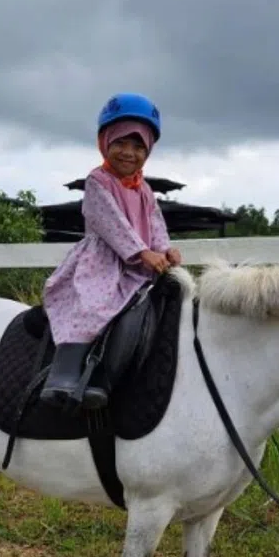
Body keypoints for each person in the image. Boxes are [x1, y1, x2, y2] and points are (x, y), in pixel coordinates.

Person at [41, 93, 182, 411]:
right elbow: (111, 224)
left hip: (139, 264)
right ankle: (63, 374)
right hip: (104, 262)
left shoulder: (145, 189)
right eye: (121, 143)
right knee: (92, 306)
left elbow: (154, 222)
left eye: (138, 146)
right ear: (105, 141)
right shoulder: (98, 181)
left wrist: (163, 248)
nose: (128, 153)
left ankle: (120, 378)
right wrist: (142, 252)